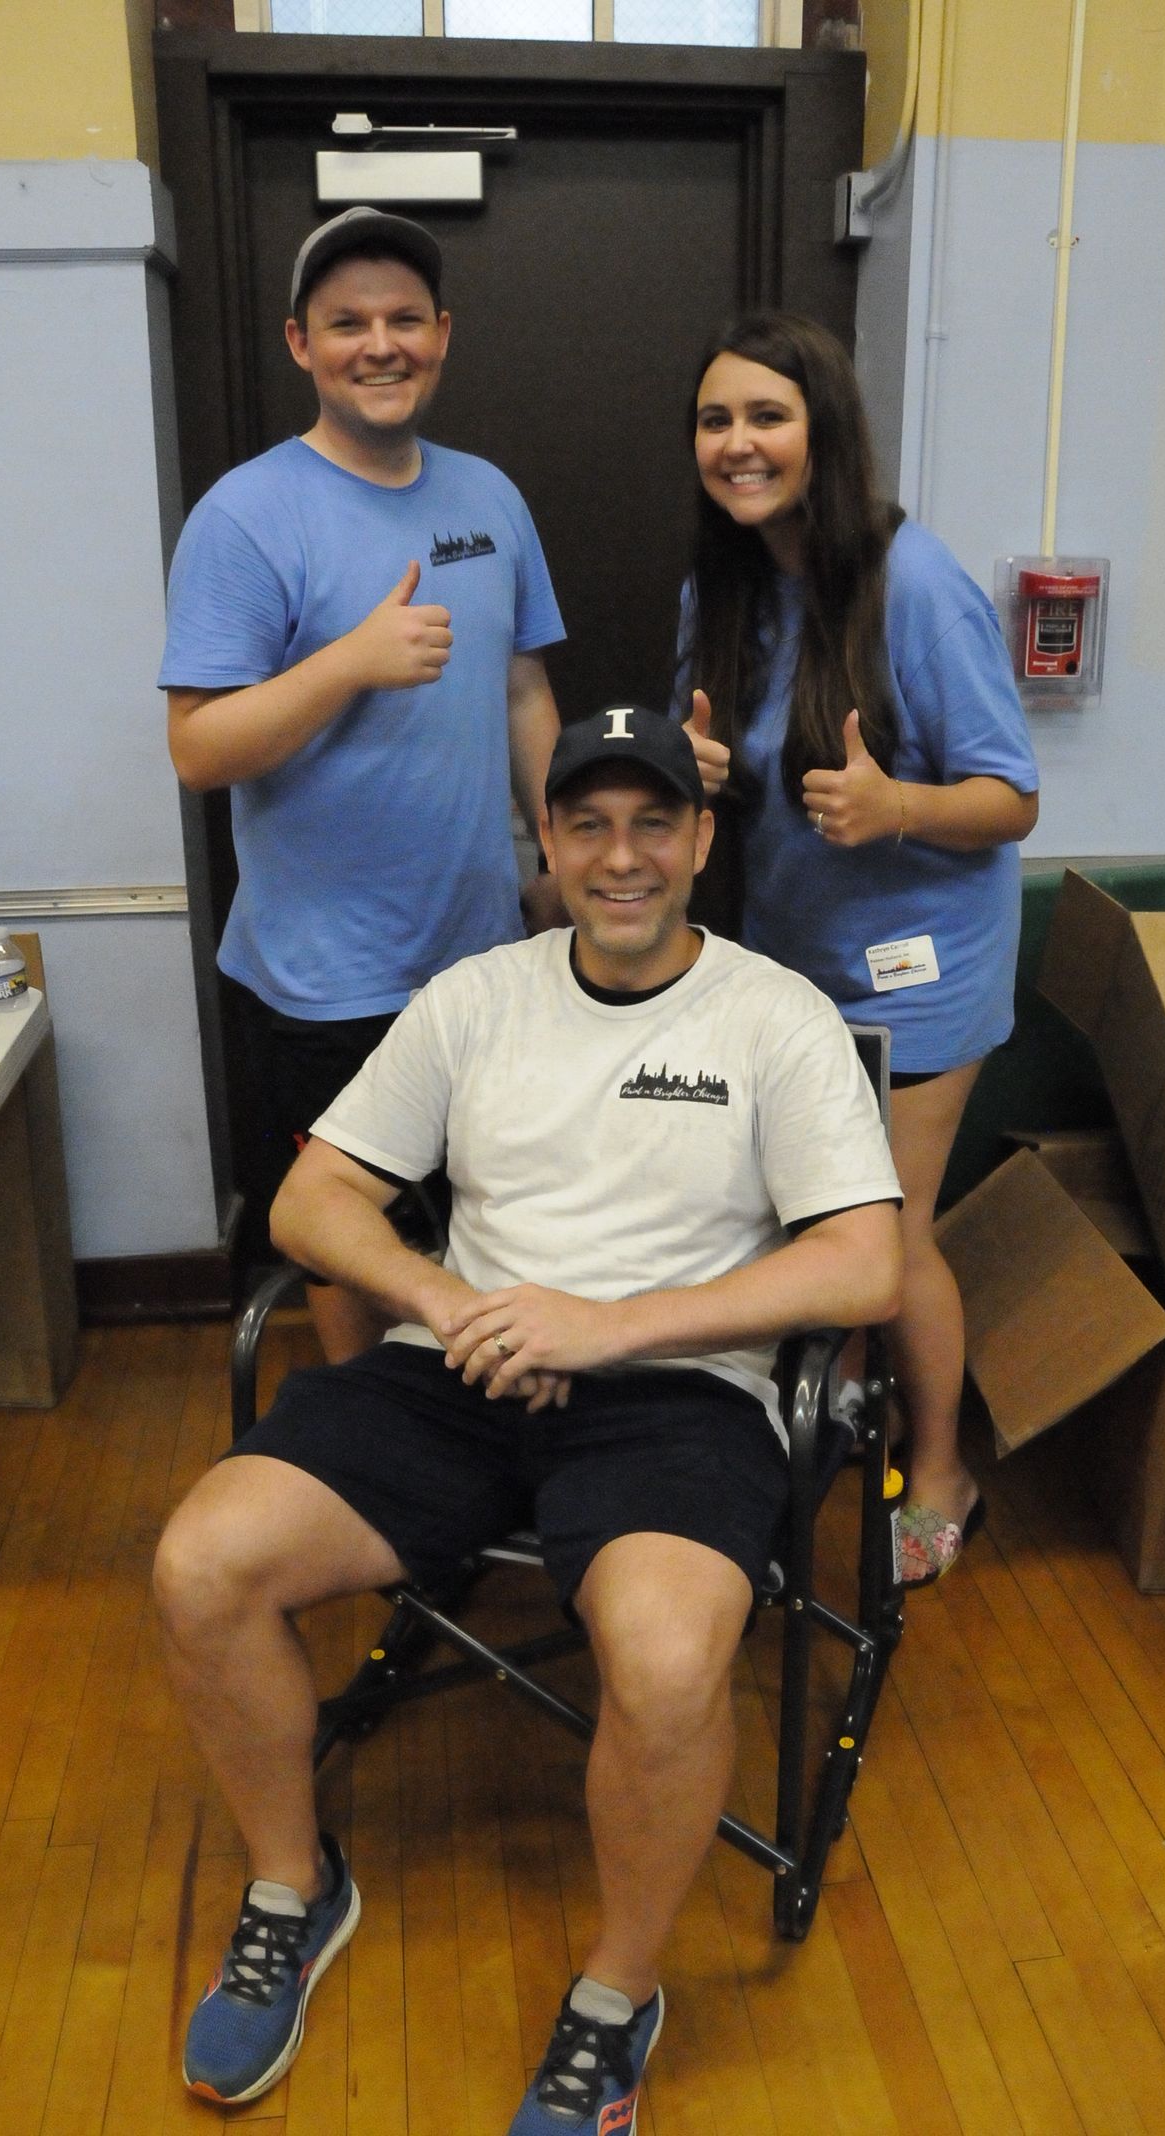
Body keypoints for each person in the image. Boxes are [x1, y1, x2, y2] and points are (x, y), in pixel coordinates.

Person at [153, 705, 902, 2131]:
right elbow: (317, 1199)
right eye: (585, 826)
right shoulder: (474, 997)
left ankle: (614, 1999)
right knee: (202, 1565)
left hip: (679, 1392)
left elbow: (860, 1261)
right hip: (465, 1372)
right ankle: (292, 1889)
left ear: (696, 840)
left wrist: (605, 1324)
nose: (618, 857)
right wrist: (453, 1306)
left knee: (673, 1665)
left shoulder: (772, 1015)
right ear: (547, 843)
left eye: (650, 825)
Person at [159, 205, 565, 1363]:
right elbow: (198, 749)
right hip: (327, 975)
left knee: (488, 1206)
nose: (378, 344)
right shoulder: (244, 516)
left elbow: (523, 690)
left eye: (403, 320)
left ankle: (475, 1424)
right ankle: (370, 1444)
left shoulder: (490, 496)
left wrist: (553, 866)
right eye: (348, 324)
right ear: (301, 345)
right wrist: (348, 664)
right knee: (352, 1232)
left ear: (442, 335)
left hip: (482, 946)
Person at [677, 310, 1039, 1587]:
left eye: (766, 416)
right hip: (789, 967)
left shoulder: (915, 580)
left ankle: (939, 1469)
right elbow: (707, 756)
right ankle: (811, 1447)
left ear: (824, 433)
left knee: (887, 1236)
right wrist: (693, 768)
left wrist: (897, 808)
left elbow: (1012, 798)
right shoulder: (719, 585)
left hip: (922, 973)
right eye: (715, 421)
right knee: (801, 1229)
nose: (738, 444)